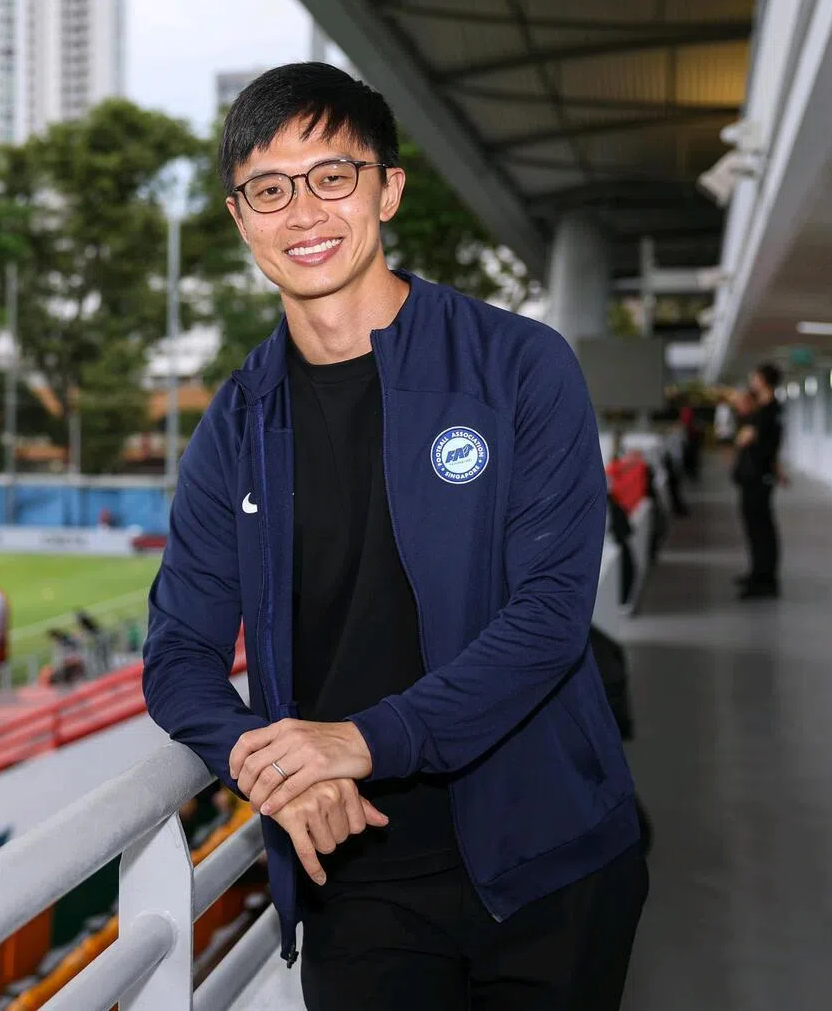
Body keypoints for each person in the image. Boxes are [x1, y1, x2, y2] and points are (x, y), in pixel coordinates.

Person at [142, 62, 647, 1010]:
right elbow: (178, 654)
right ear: (240, 217)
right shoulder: (238, 421)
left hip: (546, 858)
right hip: (353, 869)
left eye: (333, 175)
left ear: (388, 188)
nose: (304, 212)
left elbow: (547, 620)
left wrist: (361, 741)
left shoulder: (517, 366)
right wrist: (276, 768)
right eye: (269, 189)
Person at [733, 364, 785, 599]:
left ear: (763, 380)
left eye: (754, 376)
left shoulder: (767, 411)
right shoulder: (765, 410)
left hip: (757, 477)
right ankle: (758, 572)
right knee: (755, 528)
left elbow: (745, 439)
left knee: (761, 528)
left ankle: (765, 580)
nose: (751, 380)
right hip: (754, 476)